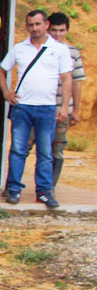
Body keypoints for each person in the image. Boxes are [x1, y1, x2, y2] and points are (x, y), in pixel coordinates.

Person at [0, 10, 72, 208]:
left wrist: (64, 106)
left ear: (46, 24)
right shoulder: (19, 48)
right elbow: (1, 71)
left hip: (46, 108)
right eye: (30, 24)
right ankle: (14, 189)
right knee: (18, 150)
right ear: (26, 26)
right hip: (22, 107)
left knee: (45, 152)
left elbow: (66, 78)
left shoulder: (59, 49)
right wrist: (6, 93)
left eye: (38, 24)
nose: (34, 28)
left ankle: (44, 191)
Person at [46, 12, 86, 193]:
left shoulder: (73, 52)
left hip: (62, 107)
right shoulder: (40, 48)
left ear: (67, 31)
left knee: (57, 148)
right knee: (27, 147)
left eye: (61, 30)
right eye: (54, 30)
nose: (57, 34)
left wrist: (75, 109)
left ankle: (50, 187)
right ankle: (13, 187)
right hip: (41, 105)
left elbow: (77, 82)